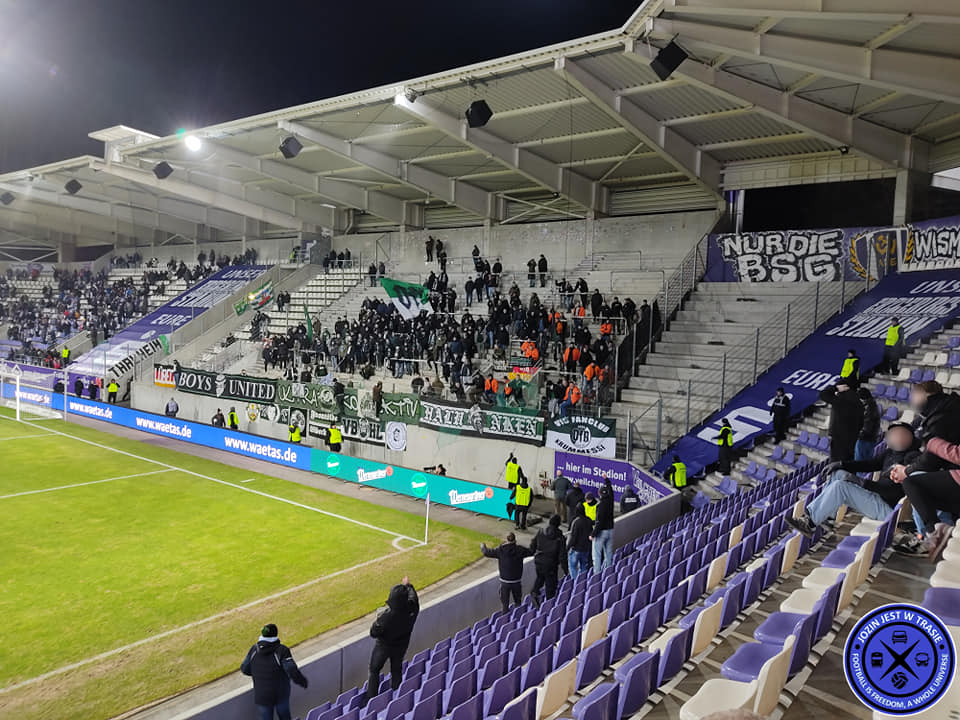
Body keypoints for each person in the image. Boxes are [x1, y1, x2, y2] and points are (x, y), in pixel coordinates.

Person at [787, 422, 919, 539]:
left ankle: (809, 524)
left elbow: (892, 492)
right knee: (838, 474)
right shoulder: (891, 452)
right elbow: (869, 464)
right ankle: (827, 518)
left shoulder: (911, 458)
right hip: (878, 498)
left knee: (841, 486)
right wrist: (842, 464)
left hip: (887, 508)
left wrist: (858, 481)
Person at [889, 381, 960, 554]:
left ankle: (931, 535)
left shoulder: (943, 413)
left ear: (925, 394)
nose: (912, 398)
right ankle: (931, 534)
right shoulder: (942, 409)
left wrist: (906, 470)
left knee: (913, 482)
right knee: (917, 485)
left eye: (915, 394)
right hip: (951, 470)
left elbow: (936, 458)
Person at [366, 576, 419, 702]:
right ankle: (397, 697)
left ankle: (371, 698)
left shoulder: (386, 617)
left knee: (374, 669)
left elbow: (373, 633)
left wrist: (377, 622)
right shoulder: (413, 608)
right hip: (402, 645)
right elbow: (413, 597)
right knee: (396, 669)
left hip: (384, 646)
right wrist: (408, 586)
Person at [240, 623, 309, 720]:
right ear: (276, 635)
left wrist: (259, 674)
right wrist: (302, 682)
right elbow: (291, 669)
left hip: (262, 695)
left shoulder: (254, 649)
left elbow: (244, 669)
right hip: (280, 694)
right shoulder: (282, 650)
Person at [481, 533, 533, 612]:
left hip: (505, 582)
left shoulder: (501, 550)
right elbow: (531, 551)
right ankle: (518, 617)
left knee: (505, 605)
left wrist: (483, 546)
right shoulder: (520, 550)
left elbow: (486, 552)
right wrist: (535, 542)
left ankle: (505, 619)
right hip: (516, 581)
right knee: (518, 602)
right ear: (515, 540)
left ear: (507, 540)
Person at [819, 383, 863, 461]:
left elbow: (823, 394)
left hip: (838, 439)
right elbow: (861, 423)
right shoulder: (859, 403)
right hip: (852, 439)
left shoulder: (840, 401)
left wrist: (835, 388)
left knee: (837, 464)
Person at [529, 514, 566, 605]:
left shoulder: (541, 531)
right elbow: (562, 555)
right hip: (551, 564)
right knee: (550, 585)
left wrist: (533, 552)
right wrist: (566, 570)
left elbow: (532, 545)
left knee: (540, 577)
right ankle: (549, 603)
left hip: (539, 561)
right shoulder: (560, 537)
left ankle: (534, 591)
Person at [591, 476, 614, 572]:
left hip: (602, 533)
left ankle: (597, 576)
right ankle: (608, 573)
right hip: (611, 530)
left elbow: (599, 522)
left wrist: (593, 534)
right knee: (608, 553)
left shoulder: (600, 506)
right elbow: (611, 490)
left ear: (599, 494)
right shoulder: (611, 501)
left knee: (597, 555)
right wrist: (607, 480)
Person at [567, 504, 592, 578]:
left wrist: (568, 547)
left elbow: (573, 537)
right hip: (586, 549)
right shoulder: (588, 520)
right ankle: (582, 582)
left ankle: (575, 582)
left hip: (576, 549)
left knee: (572, 567)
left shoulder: (576, 522)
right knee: (584, 566)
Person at [856, 386, 881, 461]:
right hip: (870, 438)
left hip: (865, 440)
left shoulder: (869, 409)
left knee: (860, 463)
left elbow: (867, 427)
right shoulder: (872, 405)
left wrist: (856, 435)